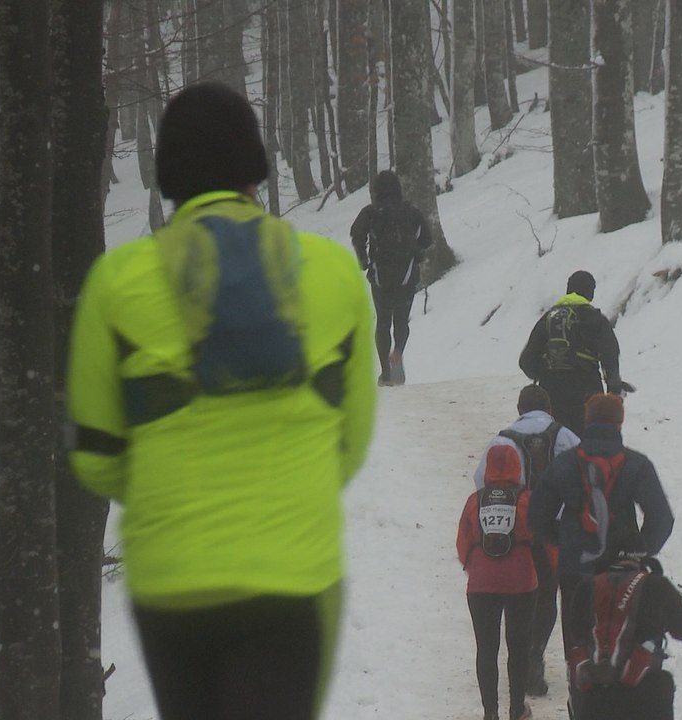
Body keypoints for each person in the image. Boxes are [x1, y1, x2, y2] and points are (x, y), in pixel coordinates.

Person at [66, 82, 378, 720]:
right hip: (295, 574)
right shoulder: (333, 272)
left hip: (172, 581)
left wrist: (169, 492)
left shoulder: (116, 283)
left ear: (166, 175)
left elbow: (96, 456)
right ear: (254, 170)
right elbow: (351, 441)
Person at [527, 393, 674, 720]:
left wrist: (564, 541)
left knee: (579, 645)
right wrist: (639, 552)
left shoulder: (564, 464)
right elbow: (662, 518)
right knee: (626, 638)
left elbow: (536, 517)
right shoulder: (636, 464)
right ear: (620, 423)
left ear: (587, 421)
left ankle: (582, 706)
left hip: (575, 572)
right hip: (626, 576)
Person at [471, 384, 580, 696]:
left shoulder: (502, 440)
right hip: (555, 533)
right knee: (547, 596)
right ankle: (536, 652)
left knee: (521, 598)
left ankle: (519, 658)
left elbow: (481, 482)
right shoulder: (566, 437)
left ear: (519, 409)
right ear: (549, 409)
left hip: (514, 536)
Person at [565, 524, 682, 720]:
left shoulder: (588, 585)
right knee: (662, 684)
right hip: (646, 696)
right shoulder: (656, 585)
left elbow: (575, 634)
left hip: (596, 698)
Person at [458, 443, 538, 720]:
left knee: (486, 648)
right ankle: (517, 709)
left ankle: (490, 712)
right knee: (519, 647)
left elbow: (463, 542)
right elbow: (543, 538)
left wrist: (475, 568)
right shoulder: (527, 499)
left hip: (481, 584)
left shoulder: (475, 500)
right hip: (521, 582)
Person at [349, 169, 432, 386]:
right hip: (407, 276)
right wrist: (417, 253)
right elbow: (427, 238)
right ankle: (398, 353)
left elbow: (356, 234)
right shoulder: (411, 211)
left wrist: (363, 260)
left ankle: (386, 373)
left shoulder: (370, 212)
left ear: (376, 191)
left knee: (383, 322)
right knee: (402, 320)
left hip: (381, 277)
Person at [518, 271, 624, 436]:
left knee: (557, 441)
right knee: (587, 441)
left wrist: (544, 374)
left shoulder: (548, 318)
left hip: (552, 391)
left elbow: (526, 361)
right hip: (587, 389)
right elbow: (610, 355)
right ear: (590, 292)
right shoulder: (596, 319)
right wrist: (613, 390)